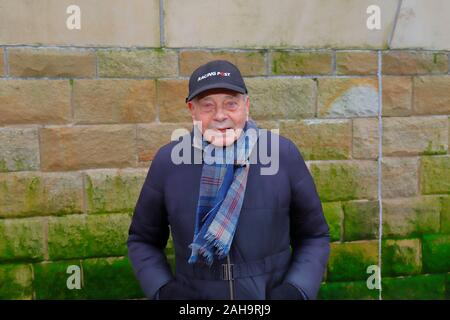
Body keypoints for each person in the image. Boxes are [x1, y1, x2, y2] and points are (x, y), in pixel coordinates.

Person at [127, 60, 330, 300]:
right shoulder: (168, 162)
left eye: (231, 104)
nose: (220, 116)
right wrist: (164, 290)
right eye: (208, 106)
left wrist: (297, 290)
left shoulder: (281, 154)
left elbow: (314, 236)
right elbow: (142, 240)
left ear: (246, 106)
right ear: (192, 110)